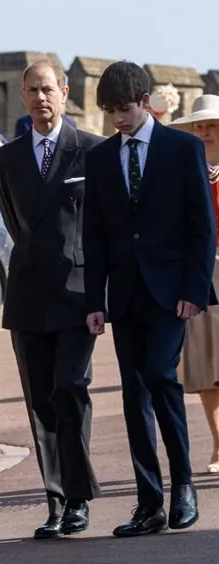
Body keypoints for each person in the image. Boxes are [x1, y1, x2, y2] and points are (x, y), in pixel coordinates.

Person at [83, 62, 218, 538]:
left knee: (161, 376)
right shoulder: (100, 160)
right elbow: (93, 235)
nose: (117, 119)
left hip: (171, 291)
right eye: (109, 112)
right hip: (123, 294)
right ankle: (148, 503)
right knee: (133, 394)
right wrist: (94, 300)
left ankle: (184, 486)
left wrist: (194, 290)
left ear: (144, 100)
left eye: (124, 109)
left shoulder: (183, 149)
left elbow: (202, 225)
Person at [0, 61, 104, 539]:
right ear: (22, 96)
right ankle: (56, 501)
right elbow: (15, 221)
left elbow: (100, 230)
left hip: (78, 297)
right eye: (32, 90)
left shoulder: (92, 151)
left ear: (65, 92)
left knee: (70, 390)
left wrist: (98, 293)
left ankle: (79, 497)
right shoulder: (9, 158)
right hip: (28, 296)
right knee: (40, 401)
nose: (41, 97)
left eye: (48, 89)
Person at [170, 95, 219, 472]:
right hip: (198, 275)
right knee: (205, 366)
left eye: (212, 126)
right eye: (197, 127)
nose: (204, 132)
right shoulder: (184, 173)